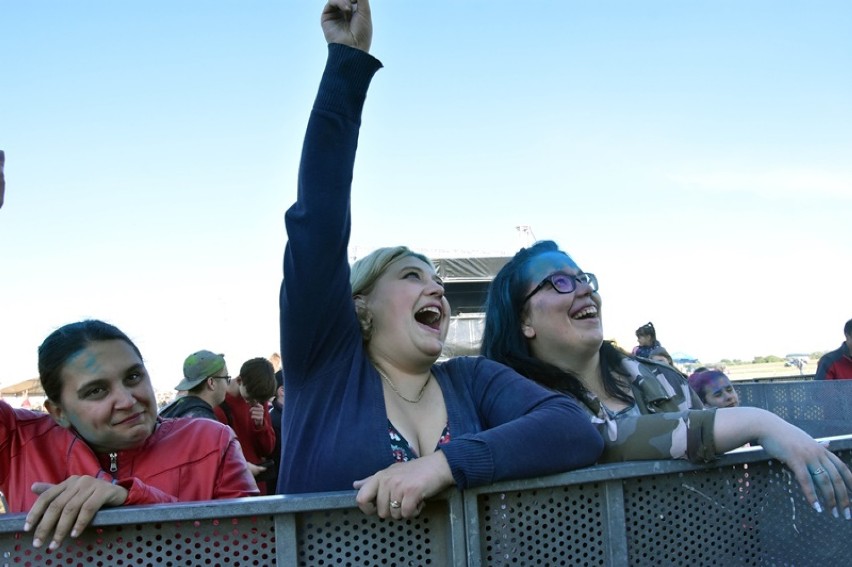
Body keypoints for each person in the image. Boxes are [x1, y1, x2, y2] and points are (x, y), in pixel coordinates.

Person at [276, 0, 603, 519]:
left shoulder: (470, 380)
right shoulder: (326, 367)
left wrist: (445, 464)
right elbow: (317, 221)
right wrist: (345, 60)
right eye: (412, 276)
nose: (438, 291)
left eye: (439, 282)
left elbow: (572, 428)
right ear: (360, 307)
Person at [480, 240, 852, 519]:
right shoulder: (511, 400)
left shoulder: (664, 380)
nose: (584, 289)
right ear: (523, 321)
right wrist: (757, 421)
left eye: (584, 279)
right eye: (559, 282)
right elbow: (591, 438)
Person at [0, 320, 258, 551]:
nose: (127, 400)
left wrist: (134, 501)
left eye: (133, 376)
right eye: (96, 391)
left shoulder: (212, 441)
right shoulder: (16, 439)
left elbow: (253, 550)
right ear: (58, 412)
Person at [215, 357, 277, 494]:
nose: (254, 403)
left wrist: (261, 426)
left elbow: (267, 449)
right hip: (233, 485)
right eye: (249, 398)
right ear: (239, 380)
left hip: (258, 484)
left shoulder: (259, 399)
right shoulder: (219, 403)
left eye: (259, 400)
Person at [158, 350, 231, 419]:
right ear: (211, 383)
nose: (227, 385)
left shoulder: (169, 411)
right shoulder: (205, 422)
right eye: (226, 378)